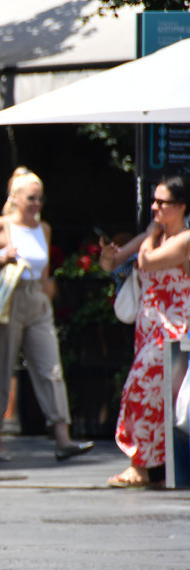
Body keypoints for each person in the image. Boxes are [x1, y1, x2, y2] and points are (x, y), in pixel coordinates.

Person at [0, 167, 94, 462]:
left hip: (37, 299)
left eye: (40, 198)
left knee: (52, 368)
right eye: (31, 198)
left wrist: (48, 296)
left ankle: (63, 438)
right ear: (15, 198)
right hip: (8, 300)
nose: (37, 204)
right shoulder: (1, 226)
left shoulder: (44, 228)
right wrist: (1, 257)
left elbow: (46, 271)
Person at [98, 175, 190, 488]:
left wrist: (149, 236)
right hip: (149, 328)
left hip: (175, 329)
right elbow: (113, 264)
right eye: (154, 201)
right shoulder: (155, 234)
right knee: (159, 397)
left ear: (180, 206)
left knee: (140, 390)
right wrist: (108, 255)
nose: (154, 207)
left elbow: (147, 262)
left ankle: (141, 464)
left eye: (162, 202)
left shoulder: (184, 238)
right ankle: (156, 466)